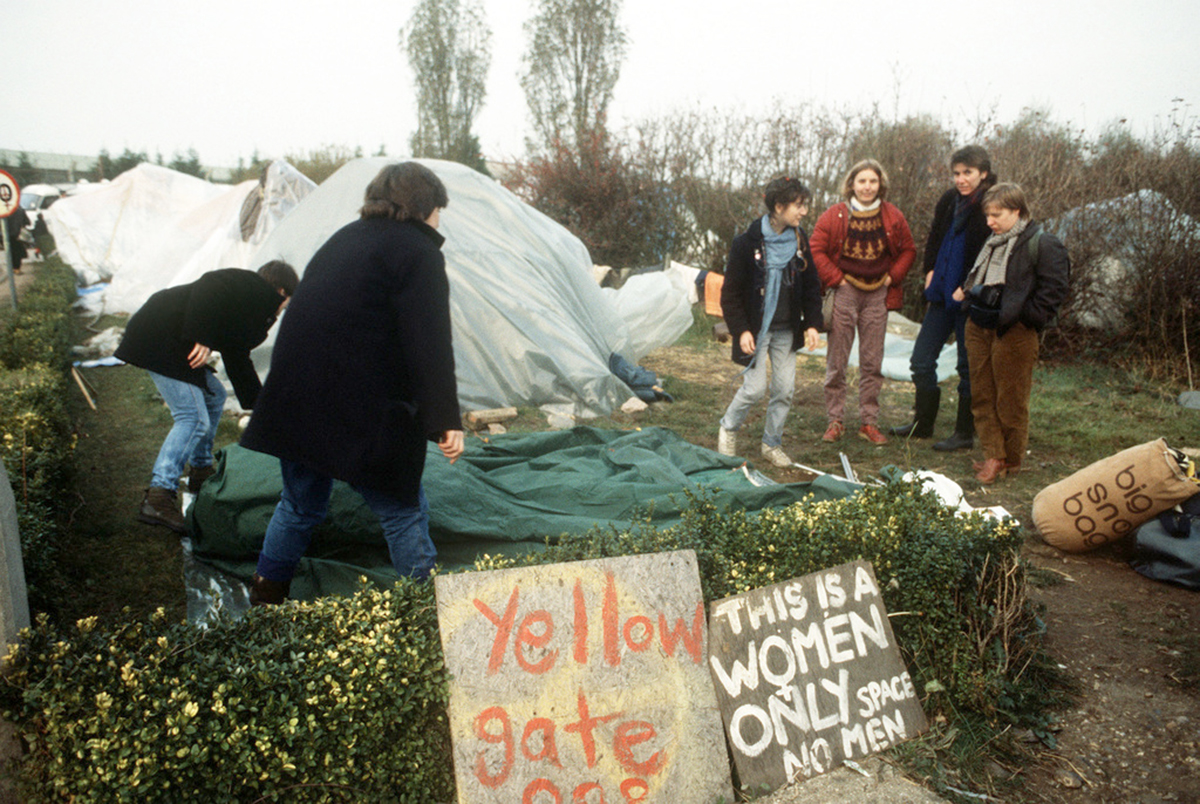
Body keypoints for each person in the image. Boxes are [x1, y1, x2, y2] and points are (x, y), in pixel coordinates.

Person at [241, 162, 464, 604]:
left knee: (300, 505)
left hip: (300, 397)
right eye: (439, 209)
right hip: (358, 402)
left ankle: (267, 593)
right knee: (403, 510)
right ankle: (425, 611)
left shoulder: (345, 238)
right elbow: (428, 341)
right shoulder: (418, 251)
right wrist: (444, 419)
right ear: (425, 207)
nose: (440, 220)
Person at [115, 262, 299, 532]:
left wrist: (260, 408)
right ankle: (158, 496)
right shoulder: (255, 290)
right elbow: (210, 283)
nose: (283, 310)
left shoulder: (249, 308)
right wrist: (200, 336)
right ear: (282, 290)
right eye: (287, 302)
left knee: (213, 397)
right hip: (160, 336)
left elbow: (237, 357)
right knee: (192, 418)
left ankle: (200, 471)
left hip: (172, 338)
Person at [953, 183, 1069, 484]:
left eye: (997, 214)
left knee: (1010, 399)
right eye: (987, 214)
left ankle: (1011, 458)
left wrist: (1026, 318)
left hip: (1014, 330)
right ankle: (994, 454)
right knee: (981, 394)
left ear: (1017, 211)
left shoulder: (1042, 243)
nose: (990, 221)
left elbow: (1054, 289)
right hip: (979, 324)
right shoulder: (992, 241)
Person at [891, 146, 996, 450]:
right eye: (957, 173)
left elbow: (991, 253)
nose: (961, 179)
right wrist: (929, 270)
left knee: (968, 367)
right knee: (921, 360)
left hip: (970, 299)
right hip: (941, 295)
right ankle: (923, 424)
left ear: (983, 173)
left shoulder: (990, 203)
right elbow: (935, 238)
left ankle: (964, 433)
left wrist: (969, 286)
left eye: (968, 173)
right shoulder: (950, 200)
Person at [717, 176, 822, 467]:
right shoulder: (745, 244)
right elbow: (730, 294)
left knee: (784, 390)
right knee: (754, 389)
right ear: (778, 206)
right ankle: (728, 427)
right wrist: (741, 331)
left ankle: (771, 444)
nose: (804, 212)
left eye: (805, 206)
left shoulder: (800, 241)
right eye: (798, 206)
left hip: (787, 330)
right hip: (756, 331)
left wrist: (812, 323)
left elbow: (813, 285)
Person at [811, 159, 916, 444]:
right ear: (852, 184)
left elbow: (908, 249)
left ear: (880, 183)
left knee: (873, 361)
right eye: (862, 181)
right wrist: (836, 279)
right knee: (837, 360)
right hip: (845, 291)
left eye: (873, 181)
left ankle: (868, 423)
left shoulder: (892, 216)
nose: (867, 186)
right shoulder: (835, 215)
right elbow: (816, 248)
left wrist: (891, 277)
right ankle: (835, 420)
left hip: (878, 294)